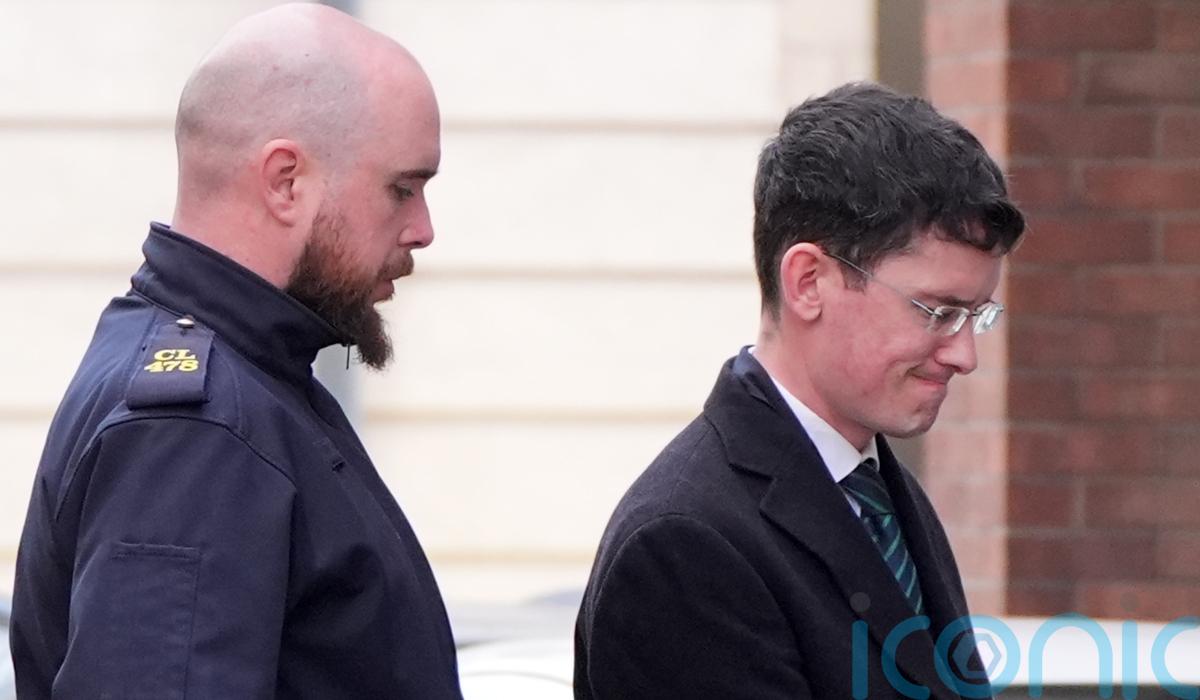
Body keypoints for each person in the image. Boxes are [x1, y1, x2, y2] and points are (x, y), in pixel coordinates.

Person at [9, 4, 462, 698]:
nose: (423, 229)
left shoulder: (243, 387)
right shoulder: (198, 434)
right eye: (401, 188)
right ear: (285, 182)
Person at [574, 82, 1026, 699]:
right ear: (808, 281)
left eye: (976, 315)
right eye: (937, 311)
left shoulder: (883, 494)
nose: (964, 355)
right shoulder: (686, 542)